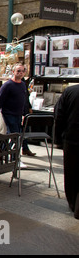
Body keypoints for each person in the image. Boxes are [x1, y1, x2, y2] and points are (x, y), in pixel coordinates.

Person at [0, 63, 36, 157]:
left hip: (19, 114)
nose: (20, 73)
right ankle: (14, 158)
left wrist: (24, 113)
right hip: (9, 113)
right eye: (18, 71)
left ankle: (1, 153)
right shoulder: (8, 85)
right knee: (15, 135)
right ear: (13, 72)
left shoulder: (23, 85)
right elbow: (0, 100)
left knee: (10, 134)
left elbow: (24, 100)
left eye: (23, 71)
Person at [54, 85, 79, 219]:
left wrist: (58, 138)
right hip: (71, 138)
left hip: (71, 139)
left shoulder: (70, 91)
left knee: (71, 172)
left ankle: (72, 202)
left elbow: (59, 115)